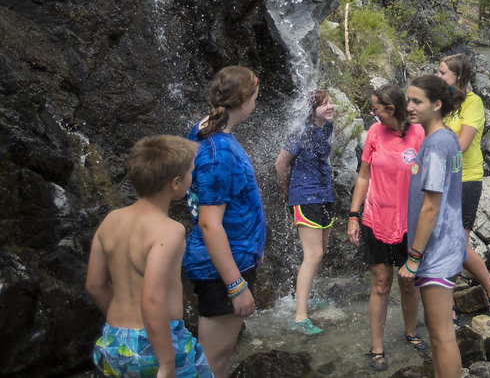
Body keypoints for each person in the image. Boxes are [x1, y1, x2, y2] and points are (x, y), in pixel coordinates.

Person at [86, 135, 213, 378]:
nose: (192, 178)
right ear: (175, 183)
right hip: (158, 343)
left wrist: (123, 329)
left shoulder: (111, 220)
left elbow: (94, 285)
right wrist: (165, 364)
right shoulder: (170, 231)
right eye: (190, 173)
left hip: (113, 341)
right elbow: (152, 300)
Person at [184, 66, 265, 378]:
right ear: (244, 100)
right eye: (255, 97)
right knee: (211, 368)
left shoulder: (206, 131)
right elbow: (209, 224)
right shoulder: (219, 152)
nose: (256, 104)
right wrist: (236, 285)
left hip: (229, 258)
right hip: (222, 269)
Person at [347, 84, 428, 371]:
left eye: (376, 108)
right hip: (375, 219)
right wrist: (353, 216)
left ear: (391, 109)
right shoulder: (373, 133)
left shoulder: (419, 133)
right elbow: (363, 176)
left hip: (409, 222)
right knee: (381, 284)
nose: (373, 112)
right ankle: (377, 348)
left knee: (408, 282)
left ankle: (411, 333)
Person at [399, 75, 465, 378]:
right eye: (408, 100)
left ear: (436, 105)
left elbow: (431, 205)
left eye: (417, 101)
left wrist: (414, 258)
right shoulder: (447, 136)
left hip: (436, 251)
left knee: (440, 335)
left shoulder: (436, 145)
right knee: (438, 332)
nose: (409, 106)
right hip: (448, 245)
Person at [438, 54, 490, 328]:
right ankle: (449, 302)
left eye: (443, 73)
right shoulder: (442, 103)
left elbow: (462, 144)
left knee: (457, 245)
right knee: (442, 243)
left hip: (465, 179)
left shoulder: (473, 103)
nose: (439, 76)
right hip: (439, 181)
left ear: (458, 76)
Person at [274, 89, 336, 335]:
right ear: (312, 110)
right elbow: (281, 163)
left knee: (320, 251)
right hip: (304, 196)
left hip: (325, 195)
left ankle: (306, 299)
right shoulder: (300, 130)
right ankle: (300, 317)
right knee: (313, 254)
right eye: (324, 105)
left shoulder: (327, 127)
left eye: (331, 102)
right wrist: (288, 191)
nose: (330, 107)